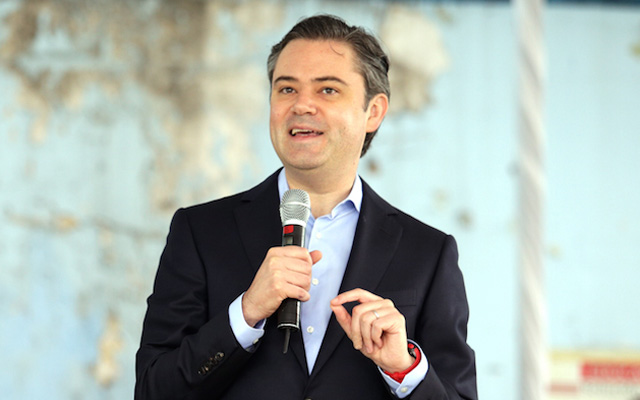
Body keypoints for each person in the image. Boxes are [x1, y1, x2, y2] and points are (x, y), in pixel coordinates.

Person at [135, 14, 477, 400]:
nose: (301, 105)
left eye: (328, 90)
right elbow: (152, 390)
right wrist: (244, 314)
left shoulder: (427, 252)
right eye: (286, 89)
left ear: (374, 111)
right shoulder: (201, 232)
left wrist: (404, 367)